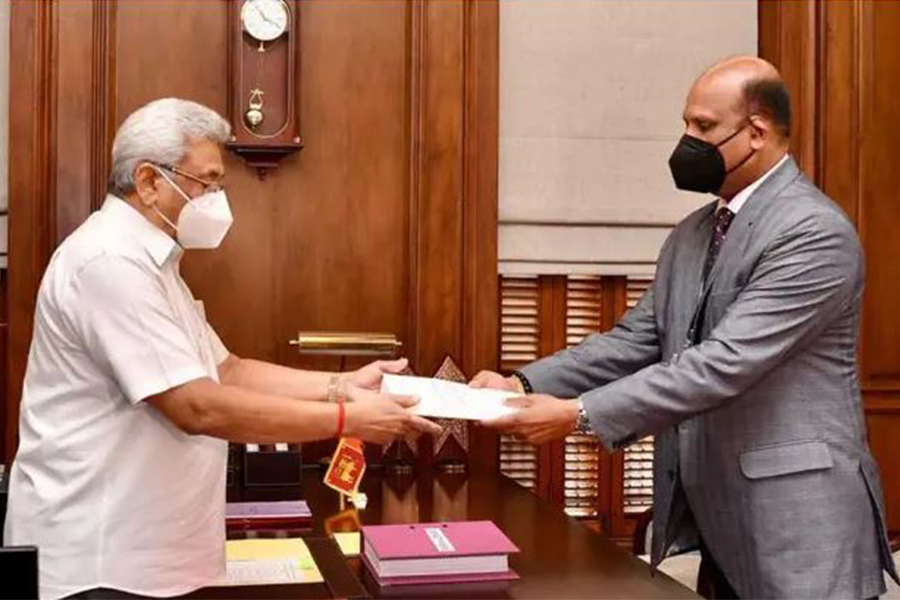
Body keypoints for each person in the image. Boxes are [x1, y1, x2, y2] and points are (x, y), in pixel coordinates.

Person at [473, 56, 899, 599]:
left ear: (757, 132)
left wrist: (578, 415)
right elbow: (639, 339)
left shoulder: (814, 232)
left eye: (703, 127)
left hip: (800, 526)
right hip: (719, 524)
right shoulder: (695, 232)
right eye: (686, 124)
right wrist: (523, 385)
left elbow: (723, 363)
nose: (686, 141)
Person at [4, 98, 442, 599]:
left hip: (147, 555)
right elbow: (195, 406)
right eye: (207, 183)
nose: (216, 199)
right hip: (101, 559)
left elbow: (227, 370)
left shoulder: (155, 265)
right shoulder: (108, 261)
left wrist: (342, 385)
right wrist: (347, 421)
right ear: (148, 182)